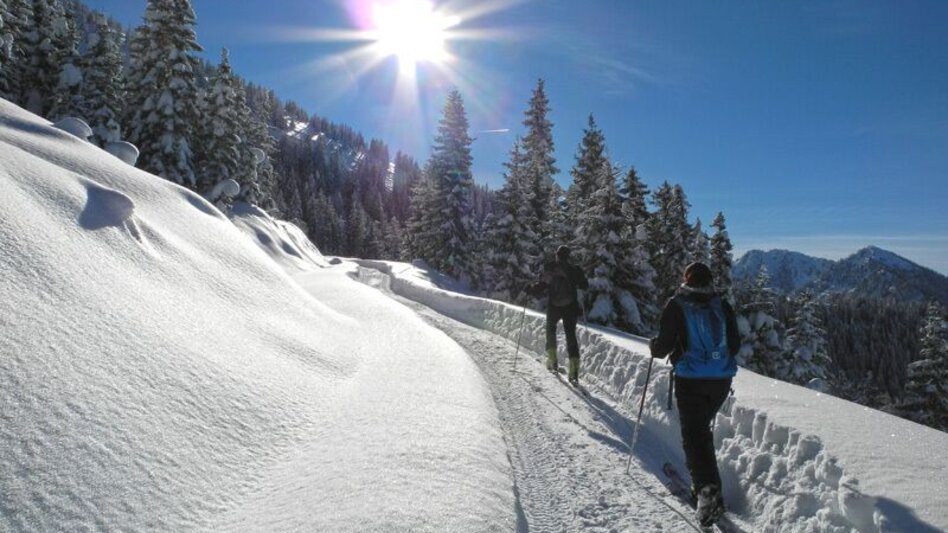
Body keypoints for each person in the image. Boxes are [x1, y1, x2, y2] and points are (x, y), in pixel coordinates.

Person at [649, 262, 740, 528]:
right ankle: (707, 487)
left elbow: (662, 347)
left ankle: (707, 493)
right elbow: (734, 345)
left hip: (691, 380)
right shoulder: (722, 305)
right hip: (721, 380)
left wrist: (654, 346)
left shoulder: (677, 304)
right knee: (700, 433)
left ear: (686, 279)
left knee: (694, 435)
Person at [532, 245, 589, 384]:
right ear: (568, 256)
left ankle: (553, 361)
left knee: (550, 330)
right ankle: (574, 370)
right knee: (571, 335)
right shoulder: (575, 270)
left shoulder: (550, 268)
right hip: (570, 306)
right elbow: (585, 285)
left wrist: (531, 289)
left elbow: (542, 285)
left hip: (554, 306)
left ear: (557, 255)